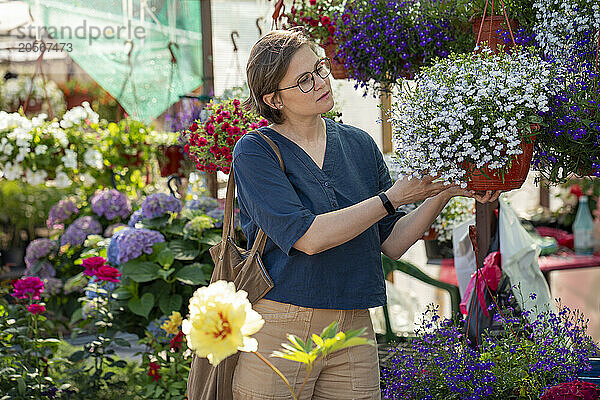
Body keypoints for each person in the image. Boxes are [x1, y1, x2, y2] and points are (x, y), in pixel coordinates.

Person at [231, 29, 500, 400]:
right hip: (282, 323)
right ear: (273, 98)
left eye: (320, 69)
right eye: (304, 80)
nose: (322, 82)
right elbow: (308, 237)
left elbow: (392, 241)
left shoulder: (358, 143)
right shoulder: (256, 151)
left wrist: (445, 192)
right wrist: (391, 198)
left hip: (354, 323)